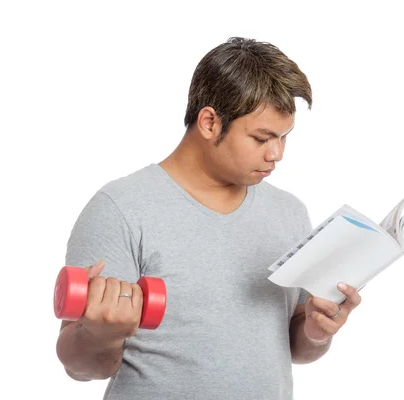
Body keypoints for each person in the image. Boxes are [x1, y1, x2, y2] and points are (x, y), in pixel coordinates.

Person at [55, 36, 362, 400]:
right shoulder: (121, 208)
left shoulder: (289, 212)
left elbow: (295, 347)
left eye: (283, 137)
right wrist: (99, 334)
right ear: (210, 122)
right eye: (262, 138)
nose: (276, 153)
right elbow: (80, 365)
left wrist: (317, 330)